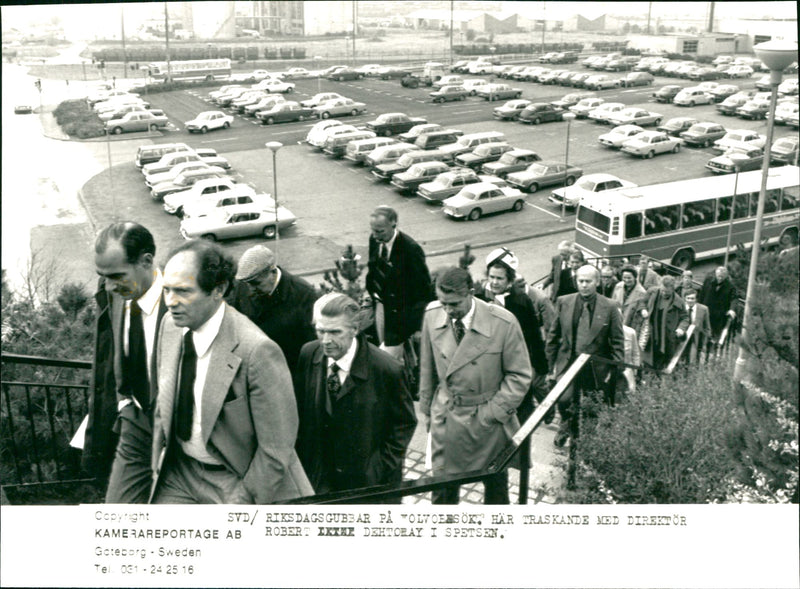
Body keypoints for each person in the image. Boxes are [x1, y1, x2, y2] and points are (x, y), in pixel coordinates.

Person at [150, 240, 312, 504]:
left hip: (236, 480)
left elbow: (276, 448)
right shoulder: (170, 326)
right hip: (179, 472)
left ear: (218, 289)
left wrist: (241, 502)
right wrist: (156, 460)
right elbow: (163, 399)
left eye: (182, 291)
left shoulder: (257, 351)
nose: (170, 302)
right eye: (166, 290)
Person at [419, 267, 531, 505]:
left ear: (471, 293)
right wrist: (427, 411)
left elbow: (519, 375)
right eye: (443, 303)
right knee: (442, 489)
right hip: (447, 415)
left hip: (487, 420)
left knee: (495, 487)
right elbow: (427, 367)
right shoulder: (432, 314)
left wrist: (493, 413)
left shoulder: (503, 322)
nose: (448, 311)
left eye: (454, 304)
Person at [294, 294, 417, 502]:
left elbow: (404, 423)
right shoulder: (309, 354)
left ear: (355, 329)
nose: (325, 340)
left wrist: (377, 468)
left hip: (369, 487)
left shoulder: (387, 369)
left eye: (335, 332)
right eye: (320, 331)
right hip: (321, 482)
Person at [85, 222, 166, 503]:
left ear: (146, 261)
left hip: (177, 433)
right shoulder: (117, 291)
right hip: (136, 422)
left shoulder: (183, 300)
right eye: (102, 276)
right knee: (115, 517)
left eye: (116, 276)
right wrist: (124, 402)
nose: (108, 286)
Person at [546, 265, 625, 448]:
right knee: (564, 399)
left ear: (597, 282)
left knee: (592, 406)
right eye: (580, 281)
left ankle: (586, 441)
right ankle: (566, 423)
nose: (584, 285)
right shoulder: (564, 302)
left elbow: (617, 341)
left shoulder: (610, 306)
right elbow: (553, 336)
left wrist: (615, 369)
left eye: (588, 281)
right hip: (568, 362)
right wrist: (549, 367)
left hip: (595, 366)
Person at [226, 245, 317, 376]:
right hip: (253, 369)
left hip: (288, 372)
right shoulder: (244, 284)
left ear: (272, 272)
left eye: (257, 284)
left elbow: (311, 347)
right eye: (248, 284)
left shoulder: (303, 294)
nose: (250, 290)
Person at [365, 206, 432, 362]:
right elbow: (373, 268)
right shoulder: (374, 240)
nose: (375, 235)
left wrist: (416, 325)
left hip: (401, 315)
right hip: (380, 306)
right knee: (387, 348)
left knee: (387, 359)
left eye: (380, 231)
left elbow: (424, 291)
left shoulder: (411, 250)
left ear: (394, 224)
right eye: (373, 230)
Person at [641, 275, 690, 370]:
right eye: (662, 290)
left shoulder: (678, 301)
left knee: (662, 360)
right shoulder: (652, 292)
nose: (663, 293)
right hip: (650, 332)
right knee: (646, 357)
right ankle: (647, 376)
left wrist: (681, 329)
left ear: (673, 289)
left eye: (667, 292)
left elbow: (685, 318)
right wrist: (643, 309)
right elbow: (642, 302)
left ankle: (657, 380)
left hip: (666, 337)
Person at [698, 266, 737, 348]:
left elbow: (734, 298)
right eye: (719, 275)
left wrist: (732, 310)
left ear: (726, 276)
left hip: (718, 315)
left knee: (714, 335)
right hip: (706, 311)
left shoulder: (730, 286)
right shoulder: (708, 281)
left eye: (722, 276)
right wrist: (698, 305)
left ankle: (711, 349)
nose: (720, 278)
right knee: (702, 331)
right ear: (716, 274)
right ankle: (700, 347)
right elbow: (702, 293)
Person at [611, 265, 649, 335]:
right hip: (616, 323)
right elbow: (612, 303)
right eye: (624, 278)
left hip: (630, 327)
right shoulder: (618, 286)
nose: (627, 280)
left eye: (629, 278)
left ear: (635, 277)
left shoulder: (642, 293)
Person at [683, 288, 711, 363]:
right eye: (688, 298)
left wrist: (704, 343)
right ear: (685, 299)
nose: (690, 300)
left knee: (693, 361)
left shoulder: (703, 309)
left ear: (696, 299)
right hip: (682, 338)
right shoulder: (681, 308)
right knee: (681, 361)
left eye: (692, 298)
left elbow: (707, 328)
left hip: (696, 338)